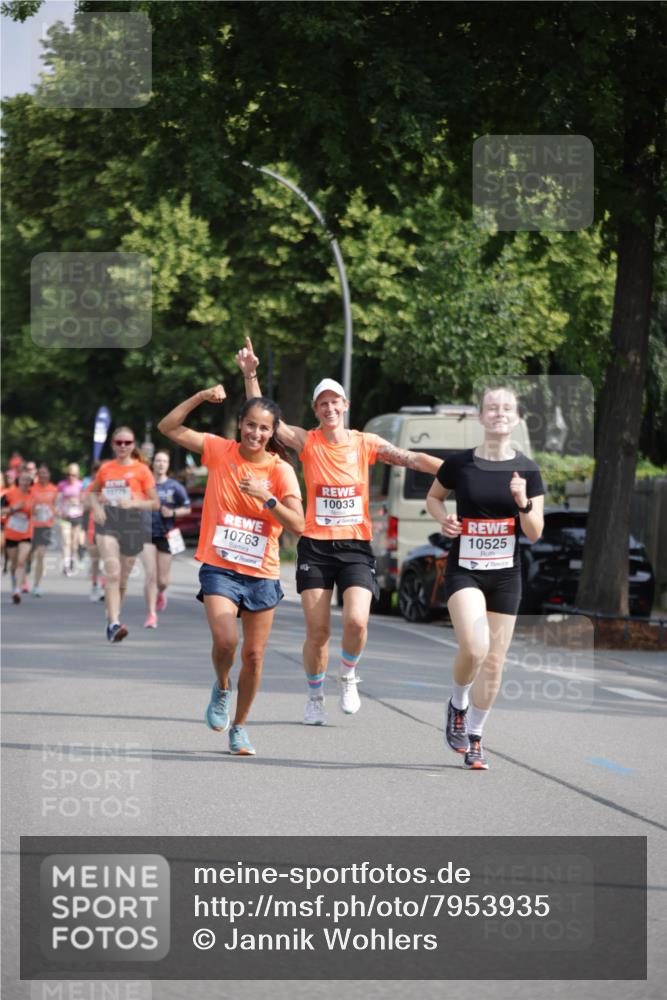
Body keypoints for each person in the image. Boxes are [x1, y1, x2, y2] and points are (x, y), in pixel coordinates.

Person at [237, 337, 443, 726]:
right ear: (316, 410)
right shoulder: (307, 441)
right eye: (322, 403)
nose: (330, 408)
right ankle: (315, 693)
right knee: (318, 631)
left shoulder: (366, 443)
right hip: (315, 546)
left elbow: (410, 458)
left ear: (345, 406)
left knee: (357, 621)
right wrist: (251, 374)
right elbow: (265, 417)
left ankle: (348, 675)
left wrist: (451, 469)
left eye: (335, 401)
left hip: (355, 547)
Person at [157, 385, 304, 756]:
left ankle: (239, 727)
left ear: (272, 433)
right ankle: (222, 687)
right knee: (226, 641)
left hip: (262, 572)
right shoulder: (219, 451)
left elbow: (299, 524)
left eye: (264, 428)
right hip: (220, 566)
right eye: (250, 425)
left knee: (254, 657)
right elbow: (168, 427)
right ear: (240, 425)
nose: (256, 433)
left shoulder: (281, 471)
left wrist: (264, 495)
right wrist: (200, 397)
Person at [426, 386, 545, 770]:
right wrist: (441, 518)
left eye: (507, 408)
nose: (499, 413)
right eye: (492, 407)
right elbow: (434, 497)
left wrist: (523, 501)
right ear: (480, 416)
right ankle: (457, 703)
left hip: (505, 574)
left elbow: (534, 531)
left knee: (494, 662)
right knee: (475, 648)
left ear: (517, 417)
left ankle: (475, 737)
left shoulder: (527, 469)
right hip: (465, 569)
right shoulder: (460, 464)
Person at [88, 429, 159, 642]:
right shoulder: (106, 468)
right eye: (119, 442)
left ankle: (113, 611)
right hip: (109, 523)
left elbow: (155, 503)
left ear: (133, 444)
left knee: (123, 579)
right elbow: (92, 492)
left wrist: (135, 502)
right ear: (112, 444)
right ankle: (114, 624)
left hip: (132, 525)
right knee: (112, 572)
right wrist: (96, 508)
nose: (123, 446)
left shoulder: (142, 470)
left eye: (127, 442)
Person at [140, 450, 191, 628]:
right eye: (158, 461)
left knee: (163, 580)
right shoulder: (145, 485)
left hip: (167, 534)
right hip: (146, 533)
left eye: (164, 461)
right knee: (150, 575)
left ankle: (161, 592)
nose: (161, 464)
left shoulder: (175, 486)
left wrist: (173, 512)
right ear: (153, 463)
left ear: (168, 465)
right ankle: (151, 614)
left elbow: (187, 508)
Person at [5, 467, 34, 603]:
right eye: (23, 479)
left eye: (28, 480)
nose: (25, 482)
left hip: (26, 533)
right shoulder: (10, 494)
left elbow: (39, 512)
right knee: (13, 563)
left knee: (21, 562)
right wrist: (13, 508)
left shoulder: (33, 496)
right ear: (18, 481)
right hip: (11, 532)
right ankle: (14, 585)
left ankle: (17, 590)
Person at [29, 464, 58, 596]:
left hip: (46, 526)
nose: (43, 476)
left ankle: (36, 585)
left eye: (45, 473)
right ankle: (28, 564)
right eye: (40, 473)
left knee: (41, 555)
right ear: (37, 475)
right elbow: (27, 505)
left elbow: (57, 505)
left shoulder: (54, 489)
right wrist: (34, 509)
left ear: (49, 475)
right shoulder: (32, 488)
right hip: (31, 525)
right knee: (29, 554)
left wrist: (56, 512)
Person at [56, 463, 85, 575]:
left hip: (77, 516)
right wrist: (59, 511)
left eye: (73, 475)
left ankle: (72, 560)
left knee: (74, 543)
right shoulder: (62, 485)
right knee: (66, 541)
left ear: (77, 475)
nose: (70, 477)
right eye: (68, 474)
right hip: (65, 516)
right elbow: (57, 500)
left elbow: (85, 501)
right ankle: (66, 565)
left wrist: (77, 502)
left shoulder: (81, 485)